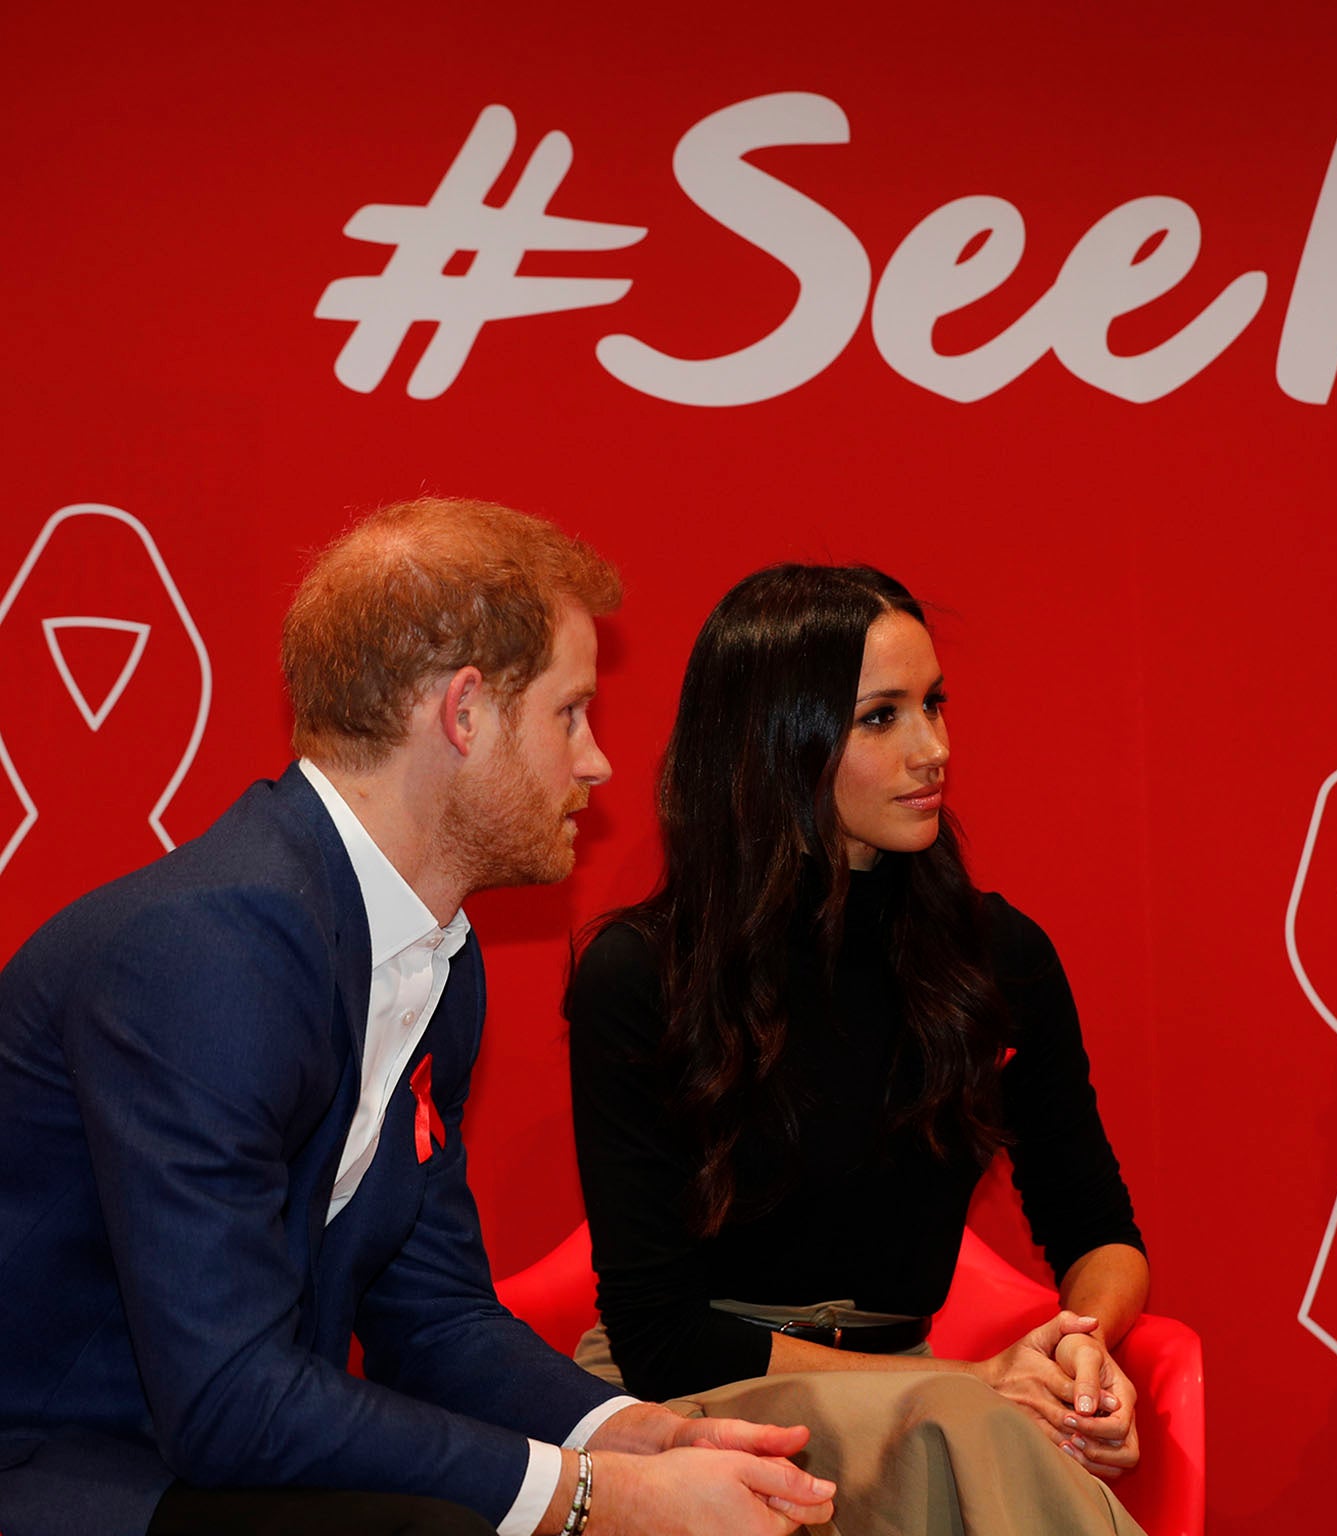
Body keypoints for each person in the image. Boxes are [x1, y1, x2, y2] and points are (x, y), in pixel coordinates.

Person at [0, 498, 837, 1536]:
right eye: (571, 713)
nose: (596, 763)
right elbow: (227, 1401)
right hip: (65, 1473)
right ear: (465, 712)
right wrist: (597, 1499)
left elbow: (432, 1316)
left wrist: (633, 1435)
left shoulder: (434, 954)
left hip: (196, 1463)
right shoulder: (210, 951)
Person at [564, 563, 1150, 1530]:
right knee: (969, 1432)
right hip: (692, 1407)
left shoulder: (997, 957)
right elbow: (663, 1335)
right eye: (881, 718)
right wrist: (973, 1384)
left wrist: (1080, 1352)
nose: (934, 749)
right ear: (772, 742)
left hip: (915, 1403)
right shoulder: (643, 974)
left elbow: (1096, 1227)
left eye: (933, 704)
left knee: (970, 1433)